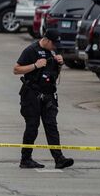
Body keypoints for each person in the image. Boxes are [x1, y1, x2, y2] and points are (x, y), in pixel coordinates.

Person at [13, 29, 74, 169]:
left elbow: (54, 76)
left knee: (52, 126)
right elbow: (16, 70)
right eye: (53, 43)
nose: (55, 47)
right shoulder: (31, 50)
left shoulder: (52, 52)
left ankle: (59, 159)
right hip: (32, 95)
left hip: (48, 96)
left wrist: (59, 65)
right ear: (46, 40)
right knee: (32, 127)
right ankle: (25, 159)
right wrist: (35, 65)